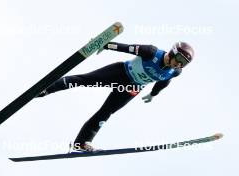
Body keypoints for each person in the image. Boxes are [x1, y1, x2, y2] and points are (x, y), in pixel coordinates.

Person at [36, 41, 194, 152]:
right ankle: (46, 89)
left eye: (183, 64)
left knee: (106, 112)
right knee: (85, 80)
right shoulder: (151, 52)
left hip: (132, 88)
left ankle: (81, 143)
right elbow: (127, 48)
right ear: (173, 52)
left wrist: (153, 94)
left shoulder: (175, 72)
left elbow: (163, 82)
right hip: (120, 73)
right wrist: (105, 44)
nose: (179, 65)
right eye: (179, 60)